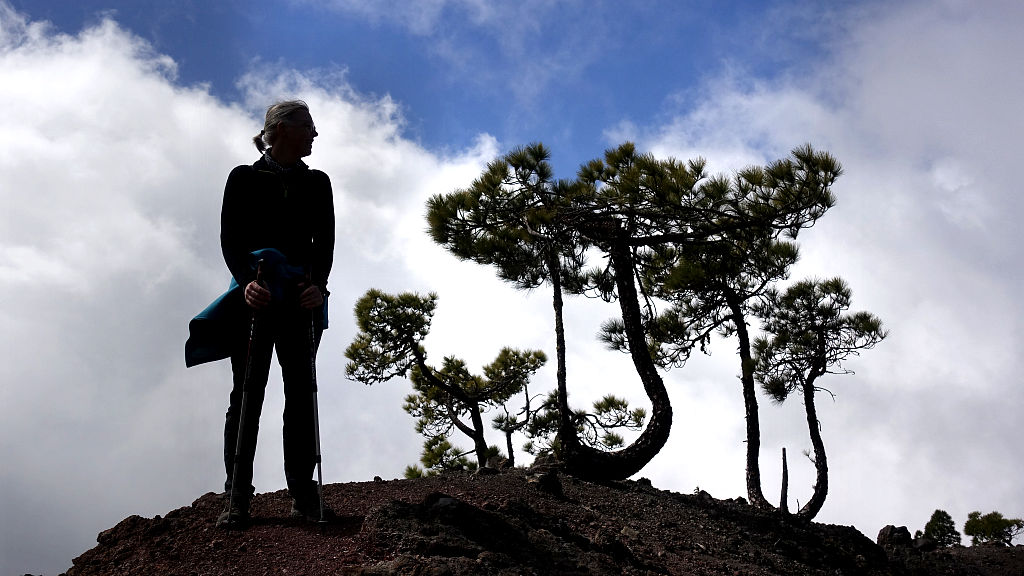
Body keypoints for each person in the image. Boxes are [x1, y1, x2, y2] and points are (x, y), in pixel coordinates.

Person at [217, 100, 335, 528]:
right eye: (308, 126)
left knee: (300, 392)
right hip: (258, 296)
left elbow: (324, 243)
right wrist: (247, 279)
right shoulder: (243, 178)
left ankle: (302, 492)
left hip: (299, 297)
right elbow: (231, 239)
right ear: (282, 129)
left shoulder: (318, 183)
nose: (314, 134)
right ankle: (237, 494)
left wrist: (318, 288)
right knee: (247, 392)